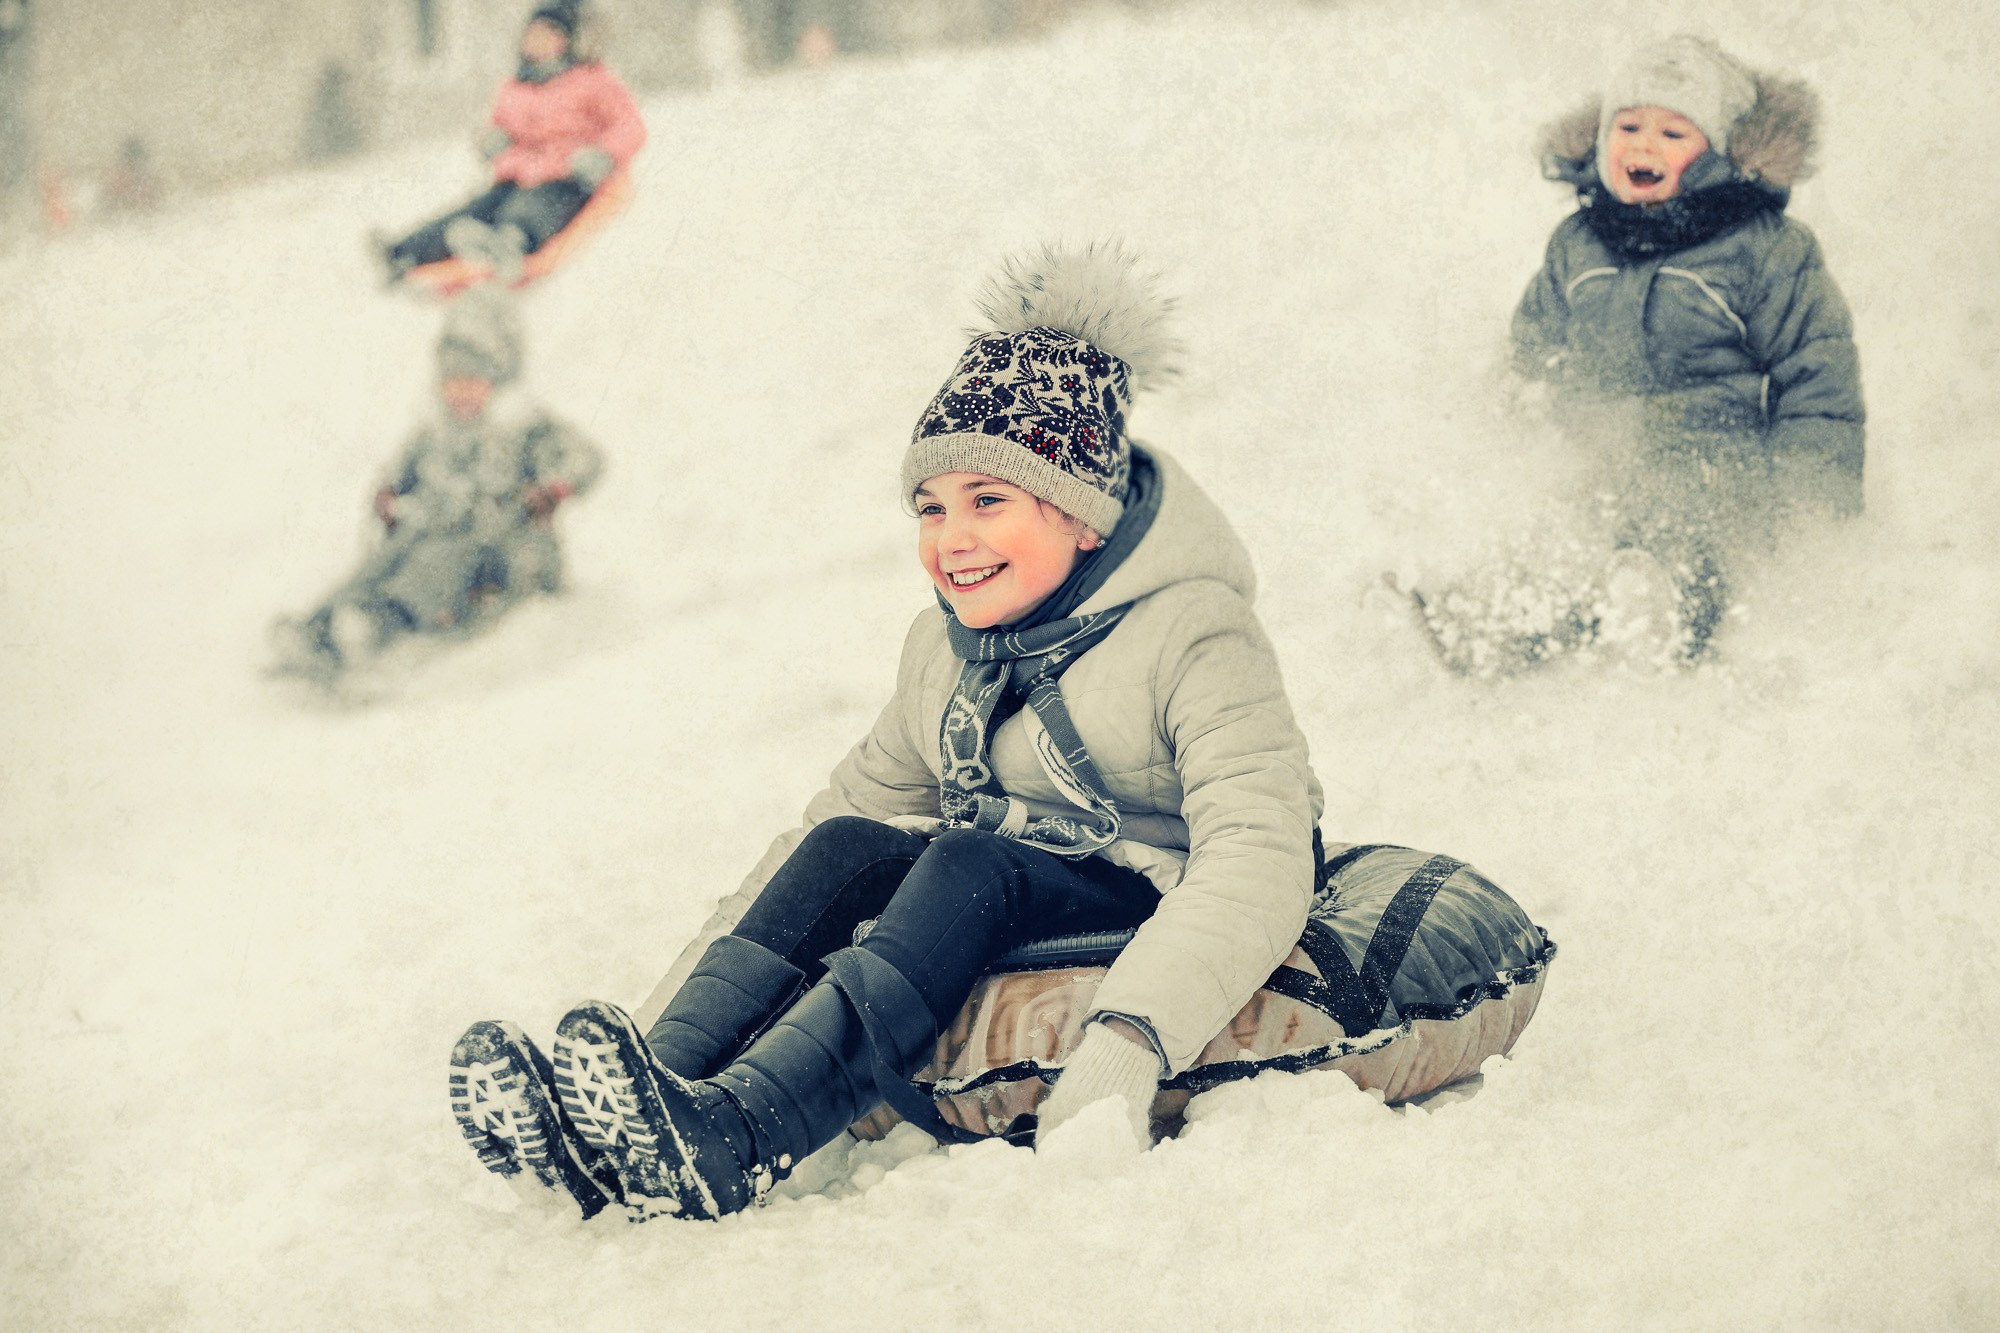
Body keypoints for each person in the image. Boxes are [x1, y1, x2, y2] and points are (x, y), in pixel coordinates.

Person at [447, 244, 1325, 1221]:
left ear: (1082, 518)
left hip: (1141, 886)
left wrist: (1128, 1037)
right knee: (845, 847)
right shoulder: (943, 652)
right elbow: (837, 823)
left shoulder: (1196, 631)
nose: (949, 539)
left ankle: (743, 1134)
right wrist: (648, 1033)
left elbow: (1259, 848)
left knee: (963, 863)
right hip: (987, 880)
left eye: (987, 501)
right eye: (930, 506)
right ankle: (641, 1106)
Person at [1410, 34, 1864, 674]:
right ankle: (1481, 626)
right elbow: (1535, 343)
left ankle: (1665, 614)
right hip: (1603, 448)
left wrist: (1814, 505)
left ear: (1722, 154)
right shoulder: (1577, 243)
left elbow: (1816, 374)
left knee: (1689, 533)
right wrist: (1512, 412)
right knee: (1564, 536)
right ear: (1601, 140)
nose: (1644, 145)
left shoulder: (1766, 250)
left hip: (1716, 454)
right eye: (1628, 126)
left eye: (1674, 135)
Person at [271, 291, 602, 680]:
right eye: (452, 382)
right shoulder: (437, 432)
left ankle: (375, 627)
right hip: (432, 529)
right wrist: (390, 491)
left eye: (474, 381)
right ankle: (321, 624)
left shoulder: (524, 427)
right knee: (387, 557)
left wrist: (554, 487)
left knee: (432, 567)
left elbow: (586, 459)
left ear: (498, 382)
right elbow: (403, 468)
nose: (461, 393)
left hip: (503, 548)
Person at [379, 1, 645, 283]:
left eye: (548, 35)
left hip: (565, 174)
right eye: (532, 35)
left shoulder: (591, 80)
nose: (537, 42)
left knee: (530, 210)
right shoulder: (514, 87)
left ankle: (508, 246)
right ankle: (406, 251)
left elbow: (630, 125)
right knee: (477, 209)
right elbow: (498, 125)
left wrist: (603, 154)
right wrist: (492, 141)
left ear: (566, 42)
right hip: (515, 174)